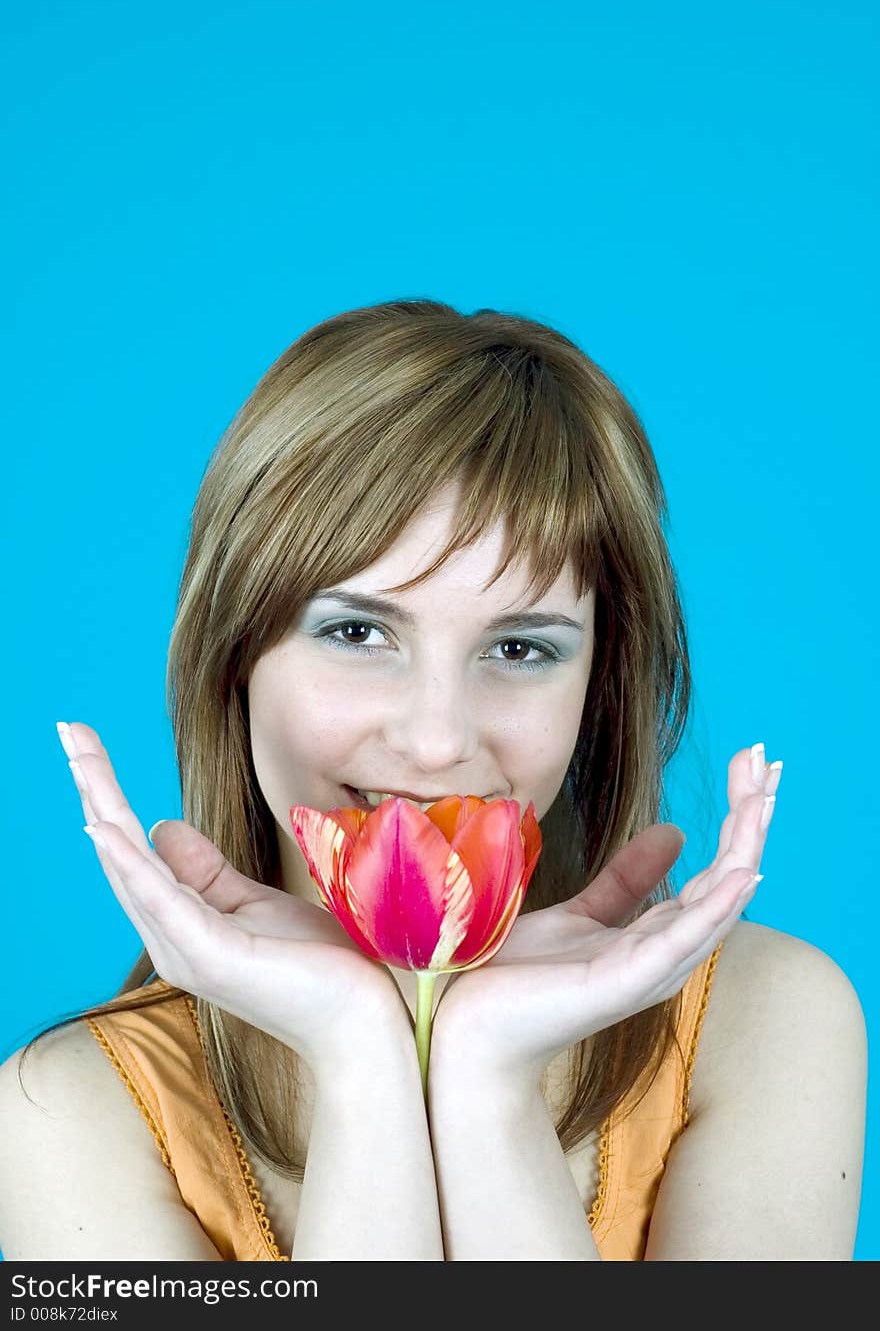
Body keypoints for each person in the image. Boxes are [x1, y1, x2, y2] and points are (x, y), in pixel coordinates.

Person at [0, 299, 867, 1261]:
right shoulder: (64, 1114)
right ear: (235, 653)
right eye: (358, 632)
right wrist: (361, 1056)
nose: (437, 738)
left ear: (599, 684)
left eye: (522, 646)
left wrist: (486, 1074)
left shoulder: (767, 1020)